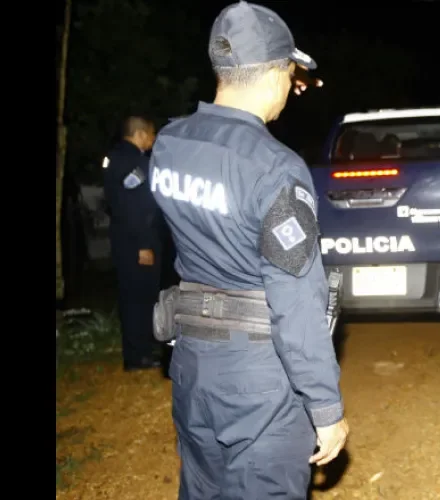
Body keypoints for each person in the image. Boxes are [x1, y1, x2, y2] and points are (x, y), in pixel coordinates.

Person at [148, 2, 348, 498]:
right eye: (290, 75)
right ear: (278, 73)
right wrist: (325, 408)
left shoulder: (170, 143)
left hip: (193, 361)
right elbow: (296, 299)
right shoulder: (274, 167)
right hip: (258, 379)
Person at [102, 116, 163, 371]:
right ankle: (140, 356)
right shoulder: (136, 163)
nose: (153, 140)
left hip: (122, 240)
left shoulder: (112, 158)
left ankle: (137, 352)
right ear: (139, 134)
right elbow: (136, 209)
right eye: (151, 135)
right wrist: (144, 245)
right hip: (137, 242)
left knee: (131, 297)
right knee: (141, 299)